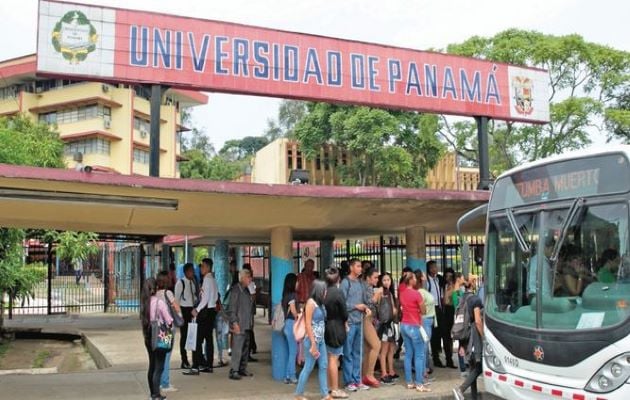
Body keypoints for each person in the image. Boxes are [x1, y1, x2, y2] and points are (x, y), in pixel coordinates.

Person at [294, 280, 333, 400]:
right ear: (319, 291)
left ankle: (325, 394)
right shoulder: (311, 303)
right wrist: (313, 344)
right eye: (324, 290)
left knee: (323, 366)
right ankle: (298, 394)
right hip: (312, 341)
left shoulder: (320, 303)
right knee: (309, 367)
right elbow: (308, 325)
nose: (326, 292)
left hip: (320, 340)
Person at [183, 258, 218, 375]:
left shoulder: (207, 280)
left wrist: (197, 310)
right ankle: (209, 364)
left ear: (208, 267)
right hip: (211, 312)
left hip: (205, 313)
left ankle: (195, 366)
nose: (200, 268)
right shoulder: (213, 279)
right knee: (208, 339)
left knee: (197, 340)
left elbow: (205, 299)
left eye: (202, 266)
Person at [341, 258, 371, 392]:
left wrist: (366, 308)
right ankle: (349, 381)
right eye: (358, 266)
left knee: (358, 352)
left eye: (360, 267)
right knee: (347, 353)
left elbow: (364, 301)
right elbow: (341, 304)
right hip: (350, 323)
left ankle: (357, 380)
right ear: (352, 267)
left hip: (359, 321)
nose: (361, 269)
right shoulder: (345, 282)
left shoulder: (360, 283)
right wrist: (356, 306)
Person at [141, 278, 173, 400]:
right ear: (156, 288)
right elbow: (169, 319)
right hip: (159, 336)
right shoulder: (159, 303)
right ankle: (156, 394)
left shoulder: (144, 303)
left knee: (152, 365)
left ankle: (152, 392)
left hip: (148, 336)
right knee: (159, 367)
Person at [398, 272, 430, 393]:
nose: (416, 280)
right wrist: (419, 309)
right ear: (411, 280)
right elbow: (424, 310)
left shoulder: (402, 293)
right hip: (415, 326)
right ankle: (419, 383)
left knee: (408, 354)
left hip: (404, 325)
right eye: (415, 278)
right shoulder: (416, 294)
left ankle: (409, 382)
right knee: (419, 355)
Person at [452, 279, 484, 400]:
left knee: (472, 368)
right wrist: (484, 337)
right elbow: (477, 321)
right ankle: (460, 389)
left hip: (464, 337)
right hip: (474, 336)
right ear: (473, 284)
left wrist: (461, 344)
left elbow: (460, 321)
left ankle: (474, 397)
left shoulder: (460, 298)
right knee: (479, 366)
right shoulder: (475, 299)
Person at [323, 267, 349, 399]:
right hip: (336, 327)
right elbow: (344, 313)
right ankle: (335, 389)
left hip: (326, 326)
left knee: (329, 358)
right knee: (334, 358)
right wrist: (345, 322)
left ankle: (329, 386)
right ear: (338, 279)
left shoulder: (323, 292)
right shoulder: (338, 293)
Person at [155, 271, 181, 393]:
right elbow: (176, 307)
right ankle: (165, 383)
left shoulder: (155, 294)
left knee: (159, 355)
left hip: (158, 328)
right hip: (167, 329)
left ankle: (159, 381)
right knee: (166, 355)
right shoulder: (168, 293)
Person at [227, 269, 255, 380]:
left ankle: (242, 368)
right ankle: (234, 370)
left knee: (245, 348)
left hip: (247, 324)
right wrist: (234, 323)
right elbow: (232, 309)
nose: (250, 279)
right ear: (242, 278)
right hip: (239, 324)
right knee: (237, 348)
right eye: (248, 276)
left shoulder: (247, 290)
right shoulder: (236, 290)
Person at [426, 260, 453, 368]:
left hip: (440, 309)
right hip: (432, 308)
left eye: (436, 267)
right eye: (433, 267)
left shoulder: (438, 279)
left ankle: (449, 359)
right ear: (428, 269)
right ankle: (436, 358)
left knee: (445, 334)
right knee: (435, 335)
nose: (435, 269)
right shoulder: (427, 281)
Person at [360, 266, 382, 388]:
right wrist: (376, 295)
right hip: (365, 318)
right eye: (375, 277)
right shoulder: (365, 287)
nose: (377, 280)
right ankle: (369, 374)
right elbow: (368, 303)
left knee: (369, 348)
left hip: (369, 319)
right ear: (368, 277)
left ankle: (365, 375)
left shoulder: (368, 287)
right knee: (376, 345)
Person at [175, 263, 198, 370]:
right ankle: (184, 360)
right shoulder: (181, 283)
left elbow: (193, 296)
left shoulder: (193, 282)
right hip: (183, 310)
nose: (193, 273)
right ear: (186, 272)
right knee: (184, 336)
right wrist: (179, 315)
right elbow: (176, 300)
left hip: (191, 310)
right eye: (191, 271)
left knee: (192, 335)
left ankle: (194, 359)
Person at [376, 272, 398, 385]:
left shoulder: (390, 292)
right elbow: (376, 306)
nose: (386, 282)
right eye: (384, 280)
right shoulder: (380, 292)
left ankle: (391, 371)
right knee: (383, 351)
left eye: (388, 280)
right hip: (383, 325)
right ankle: (384, 373)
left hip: (390, 324)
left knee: (391, 350)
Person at [416, 270, 436, 383]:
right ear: (421, 278)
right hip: (425, 320)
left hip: (428, 320)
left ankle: (424, 373)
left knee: (424, 348)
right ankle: (422, 374)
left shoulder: (423, 290)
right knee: (423, 348)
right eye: (423, 275)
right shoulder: (420, 292)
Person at [282, 273, 299, 384]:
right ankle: (292, 376)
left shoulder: (285, 295)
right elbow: (293, 310)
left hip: (286, 325)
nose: (298, 283)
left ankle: (288, 376)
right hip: (291, 324)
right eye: (297, 281)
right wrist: (299, 316)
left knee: (291, 352)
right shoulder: (292, 295)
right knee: (293, 352)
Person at [242, 263, 258, 361]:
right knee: (248, 331)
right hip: (247, 312)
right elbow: (253, 296)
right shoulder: (250, 284)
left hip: (243, 312)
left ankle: (245, 353)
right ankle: (247, 354)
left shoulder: (241, 285)